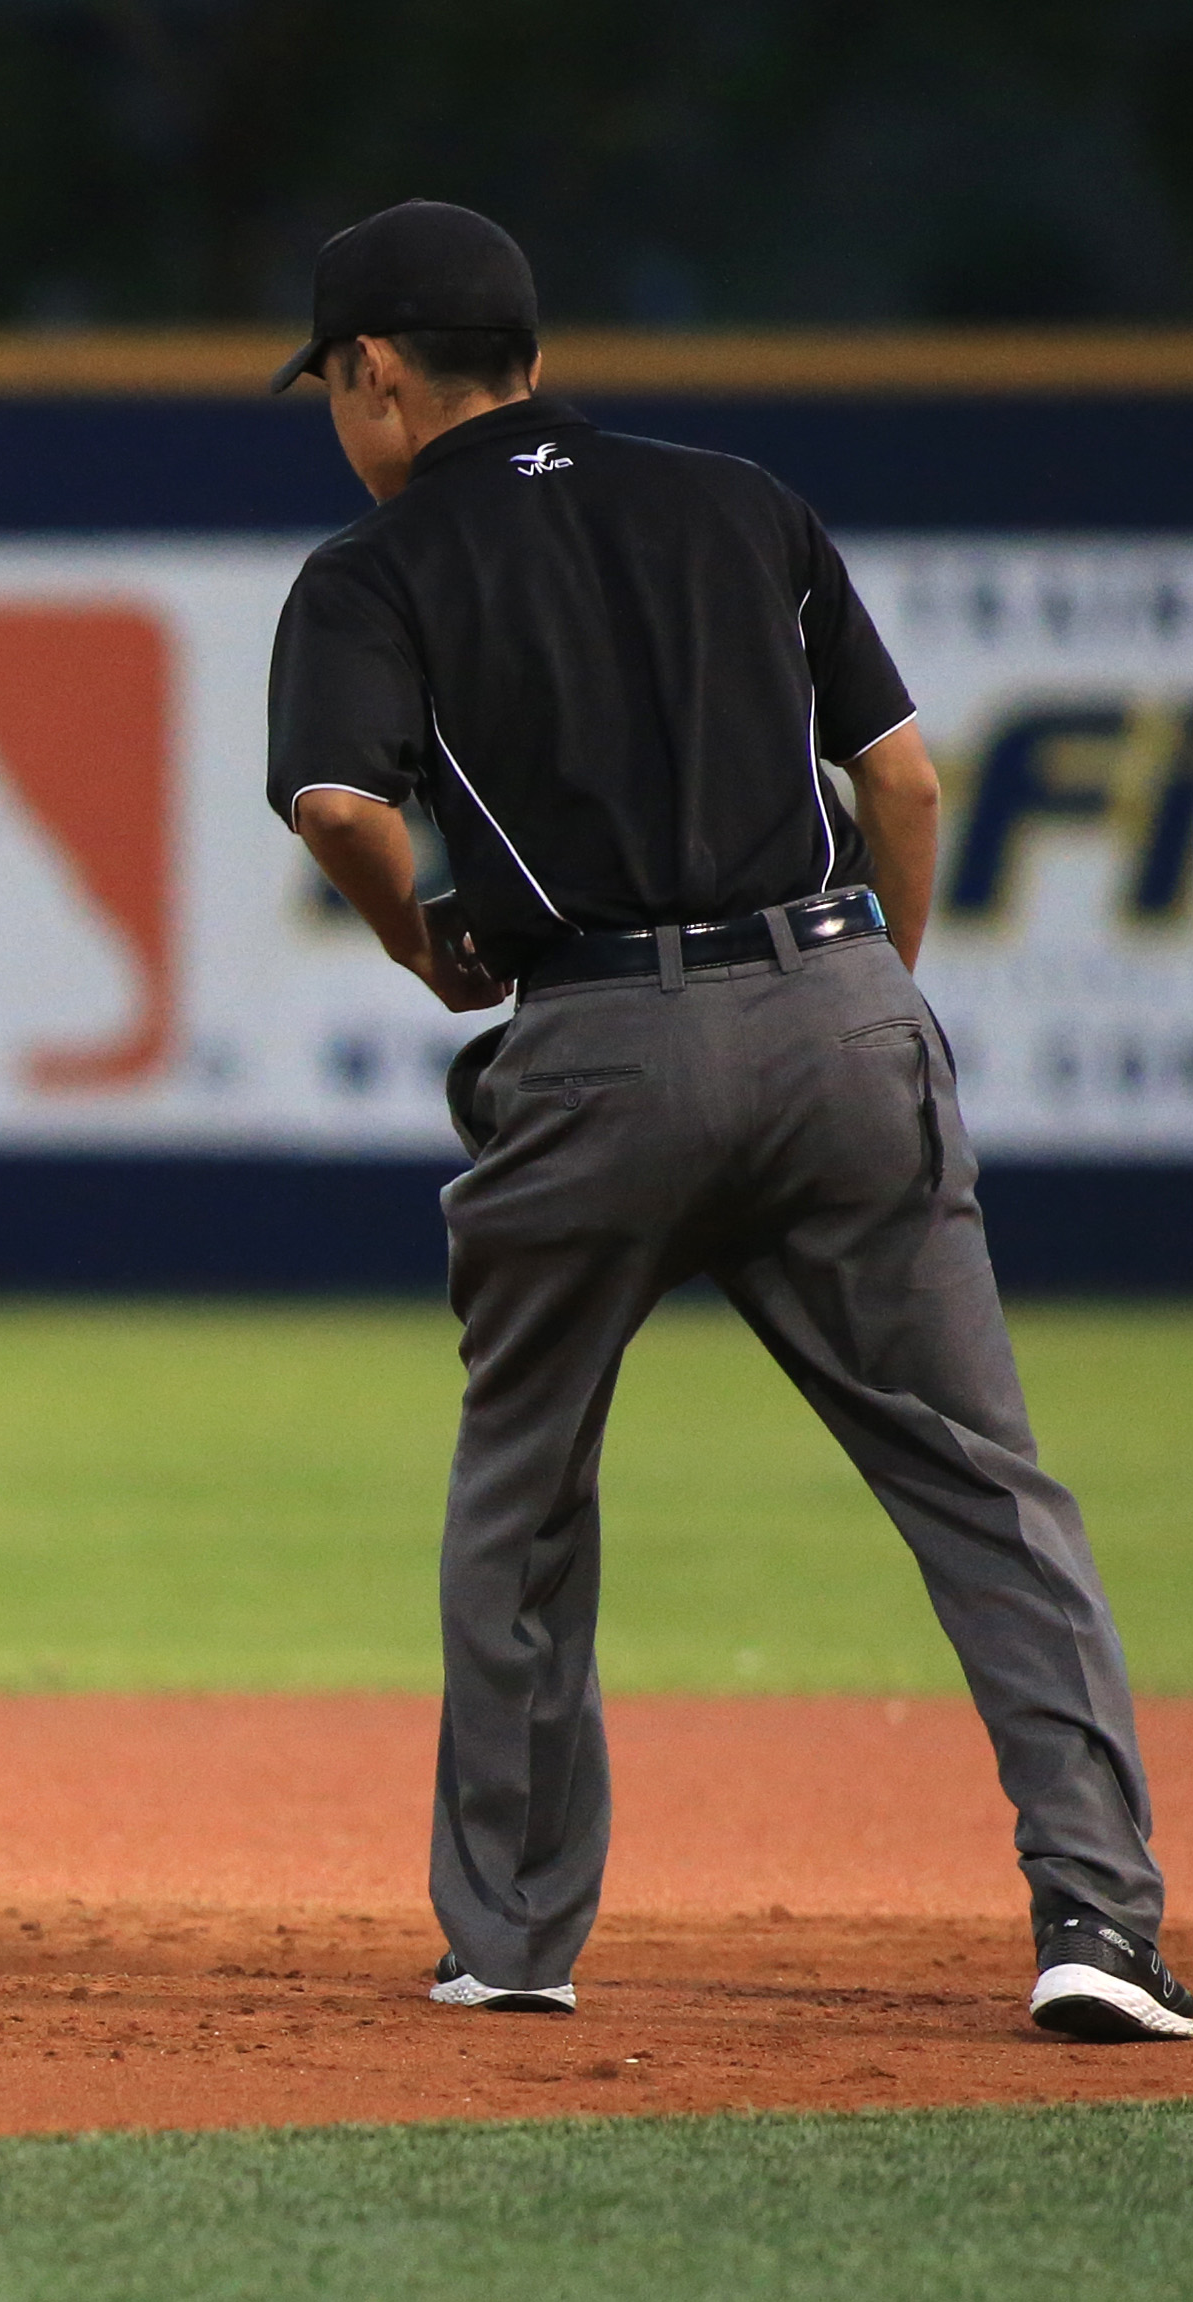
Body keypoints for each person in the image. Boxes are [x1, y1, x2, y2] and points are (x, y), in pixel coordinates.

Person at [269, 201, 1179, 2040]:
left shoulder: (376, 565)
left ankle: (517, 1942)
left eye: (334, 384)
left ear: (376, 373)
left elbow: (342, 805)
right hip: (840, 1013)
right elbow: (904, 779)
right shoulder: (741, 500)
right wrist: (869, 997)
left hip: (597, 1041)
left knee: (527, 1489)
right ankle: (1100, 1921)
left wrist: (426, 944)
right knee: (985, 1484)